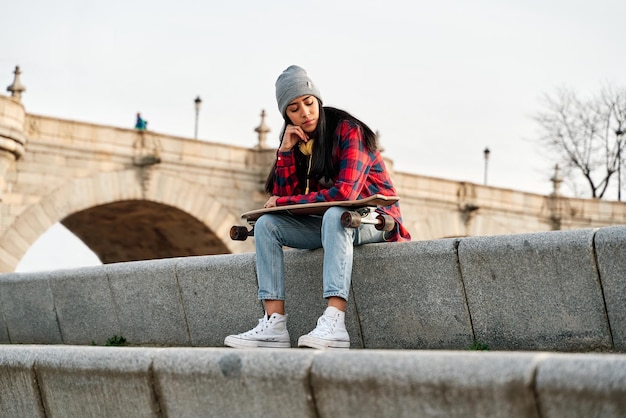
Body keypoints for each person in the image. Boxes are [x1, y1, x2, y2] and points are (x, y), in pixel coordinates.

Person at [224, 65, 410, 350]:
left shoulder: (349, 131)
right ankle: (273, 323)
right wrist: (285, 154)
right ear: (286, 115)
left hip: (375, 221)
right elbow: (281, 204)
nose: (305, 113)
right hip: (329, 223)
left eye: (309, 103)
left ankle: (335, 321)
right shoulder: (297, 143)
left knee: (337, 214)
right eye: (294, 108)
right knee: (266, 225)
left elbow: (344, 194)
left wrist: (284, 202)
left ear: (318, 101)